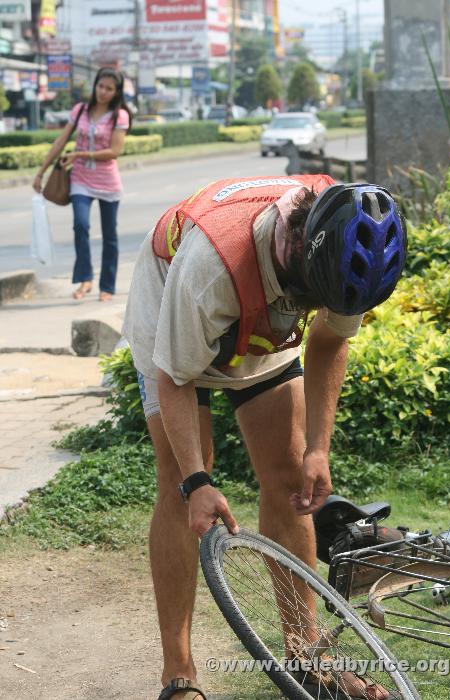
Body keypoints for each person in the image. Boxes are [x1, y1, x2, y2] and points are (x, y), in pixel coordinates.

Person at [123, 176, 407, 700]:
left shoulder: (346, 248)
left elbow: (327, 343)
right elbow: (176, 380)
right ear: (297, 254)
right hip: (171, 303)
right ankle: (179, 676)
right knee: (177, 479)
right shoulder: (209, 268)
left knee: (289, 472)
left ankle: (306, 658)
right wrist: (197, 481)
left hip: (258, 301)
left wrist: (319, 448)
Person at [33, 67, 131, 301]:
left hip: (107, 181)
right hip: (80, 180)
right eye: (100, 86)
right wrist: (41, 172)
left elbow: (115, 151)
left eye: (109, 88)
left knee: (110, 236)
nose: (103, 92)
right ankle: (85, 279)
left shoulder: (120, 116)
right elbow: (60, 141)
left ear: (116, 92)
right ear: (94, 85)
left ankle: (107, 285)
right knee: (81, 225)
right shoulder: (80, 111)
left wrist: (79, 155)